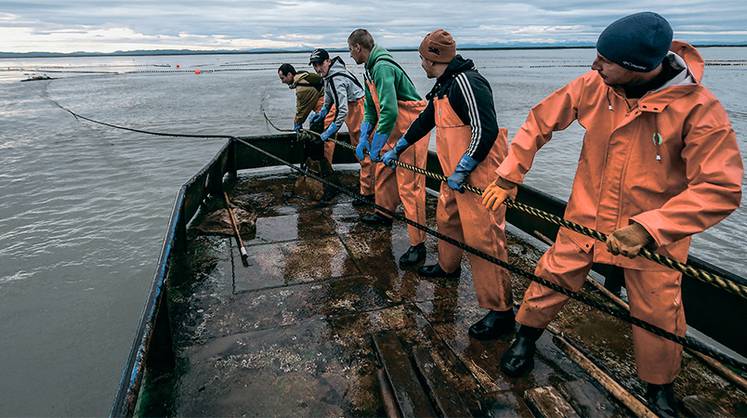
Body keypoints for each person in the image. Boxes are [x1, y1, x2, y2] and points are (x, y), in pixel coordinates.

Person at [481, 12, 743, 417]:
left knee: (659, 311)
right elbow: (539, 122)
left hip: (652, 240)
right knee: (549, 278)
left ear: (639, 67)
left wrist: (650, 228)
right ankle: (525, 338)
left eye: (605, 61)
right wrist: (510, 175)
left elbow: (720, 187)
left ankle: (659, 388)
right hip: (584, 218)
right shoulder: (594, 86)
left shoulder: (700, 111)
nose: (593, 66)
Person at [382, 29, 514, 339]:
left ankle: (501, 312)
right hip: (452, 176)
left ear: (434, 58)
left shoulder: (468, 83)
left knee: (485, 241)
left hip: (479, 178)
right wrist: (400, 146)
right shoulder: (443, 86)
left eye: (423, 59)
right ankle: (447, 267)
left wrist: (466, 165)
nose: (421, 65)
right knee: (447, 220)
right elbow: (425, 121)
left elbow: (486, 129)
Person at [347, 28, 431, 267]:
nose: (350, 55)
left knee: (410, 187)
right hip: (392, 129)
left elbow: (392, 110)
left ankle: (418, 245)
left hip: (410, 128)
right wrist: (365, 135)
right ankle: (383, 213)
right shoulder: (369, 69)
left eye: (350, 50)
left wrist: (376, 142)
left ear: (358, 48)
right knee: (383, 172)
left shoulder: (382, 67)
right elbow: (373, 109)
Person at [308, 48, 375, 204]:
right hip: (355, 108)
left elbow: (342, 110)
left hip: (357, 109)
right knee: (358, 148)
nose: (317, 69)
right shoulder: (329, 76)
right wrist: (322, 112)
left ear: (328, 61)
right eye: (314, 65)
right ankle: (370, 188)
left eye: (320, 64)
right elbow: (329, 99)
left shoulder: (336, 78)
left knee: (362, 151)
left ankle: (368, 194)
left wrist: (331, 130)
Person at [277, 63, 336, 165]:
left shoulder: (302, 87)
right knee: (323, 137)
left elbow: (302, 109)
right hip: (327, 107)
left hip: (329, 109)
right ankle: (321, 165)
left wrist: (297, 123)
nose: (282, 81)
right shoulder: (304, 77)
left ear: (290, 74)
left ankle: (325, 168)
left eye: (283, 78)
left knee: (327, 140)